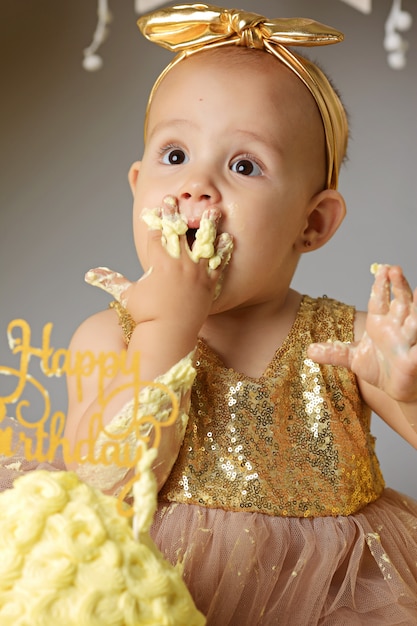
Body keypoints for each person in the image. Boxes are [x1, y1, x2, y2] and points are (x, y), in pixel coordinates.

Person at [63, 4, 417, 624]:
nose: (196, 186)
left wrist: (407, 394)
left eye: (244, 165)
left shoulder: (349, 344)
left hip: (335, 601)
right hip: (162, 598)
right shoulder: (107, 338)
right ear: (137, 182)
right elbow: (102, 486)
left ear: (311, 223)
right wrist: (166, 327)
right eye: (175, 156)